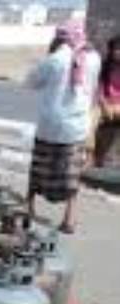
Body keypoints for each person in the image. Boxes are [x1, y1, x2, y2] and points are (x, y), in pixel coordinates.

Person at [25, 20, 101, 234]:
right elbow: (92, 88)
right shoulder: (94, 58)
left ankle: (28, 208)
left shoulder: (55, 59)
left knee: (39, 169)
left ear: (59, 38)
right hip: (76, 127)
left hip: (50, 127)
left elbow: (30, 82)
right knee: (71, 174)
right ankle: (69, 218)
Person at [93, 35, 120, 168]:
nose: (118, 52)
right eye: (116, 49)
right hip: (105, 104)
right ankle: (93, 158)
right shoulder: (104, 67)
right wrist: (104, 104)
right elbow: (99, 89)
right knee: (90, 122)